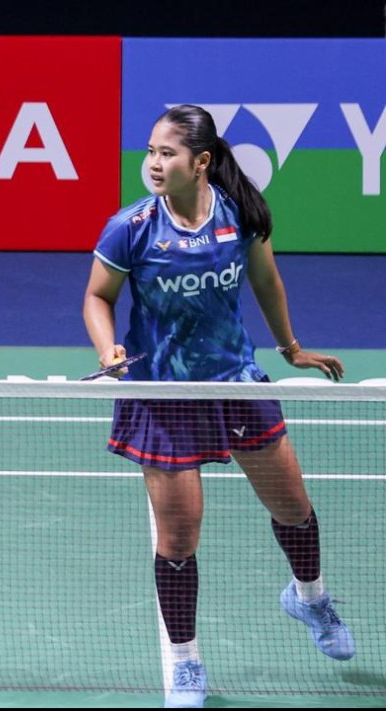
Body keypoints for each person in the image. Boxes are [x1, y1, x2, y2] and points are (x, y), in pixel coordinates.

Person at [82, 105, 354, 708]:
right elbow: (98, 297)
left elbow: (267, 282)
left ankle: (310, 598)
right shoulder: (130, 227)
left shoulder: (240, 216)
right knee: (179, 538)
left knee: (294, 507)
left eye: (168, 153)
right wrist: (107, 348)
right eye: (150, 152)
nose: (154, 164)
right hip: (165, 395)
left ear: (201, 161)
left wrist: (292, 349)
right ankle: (186, 663)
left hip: (236, 382)